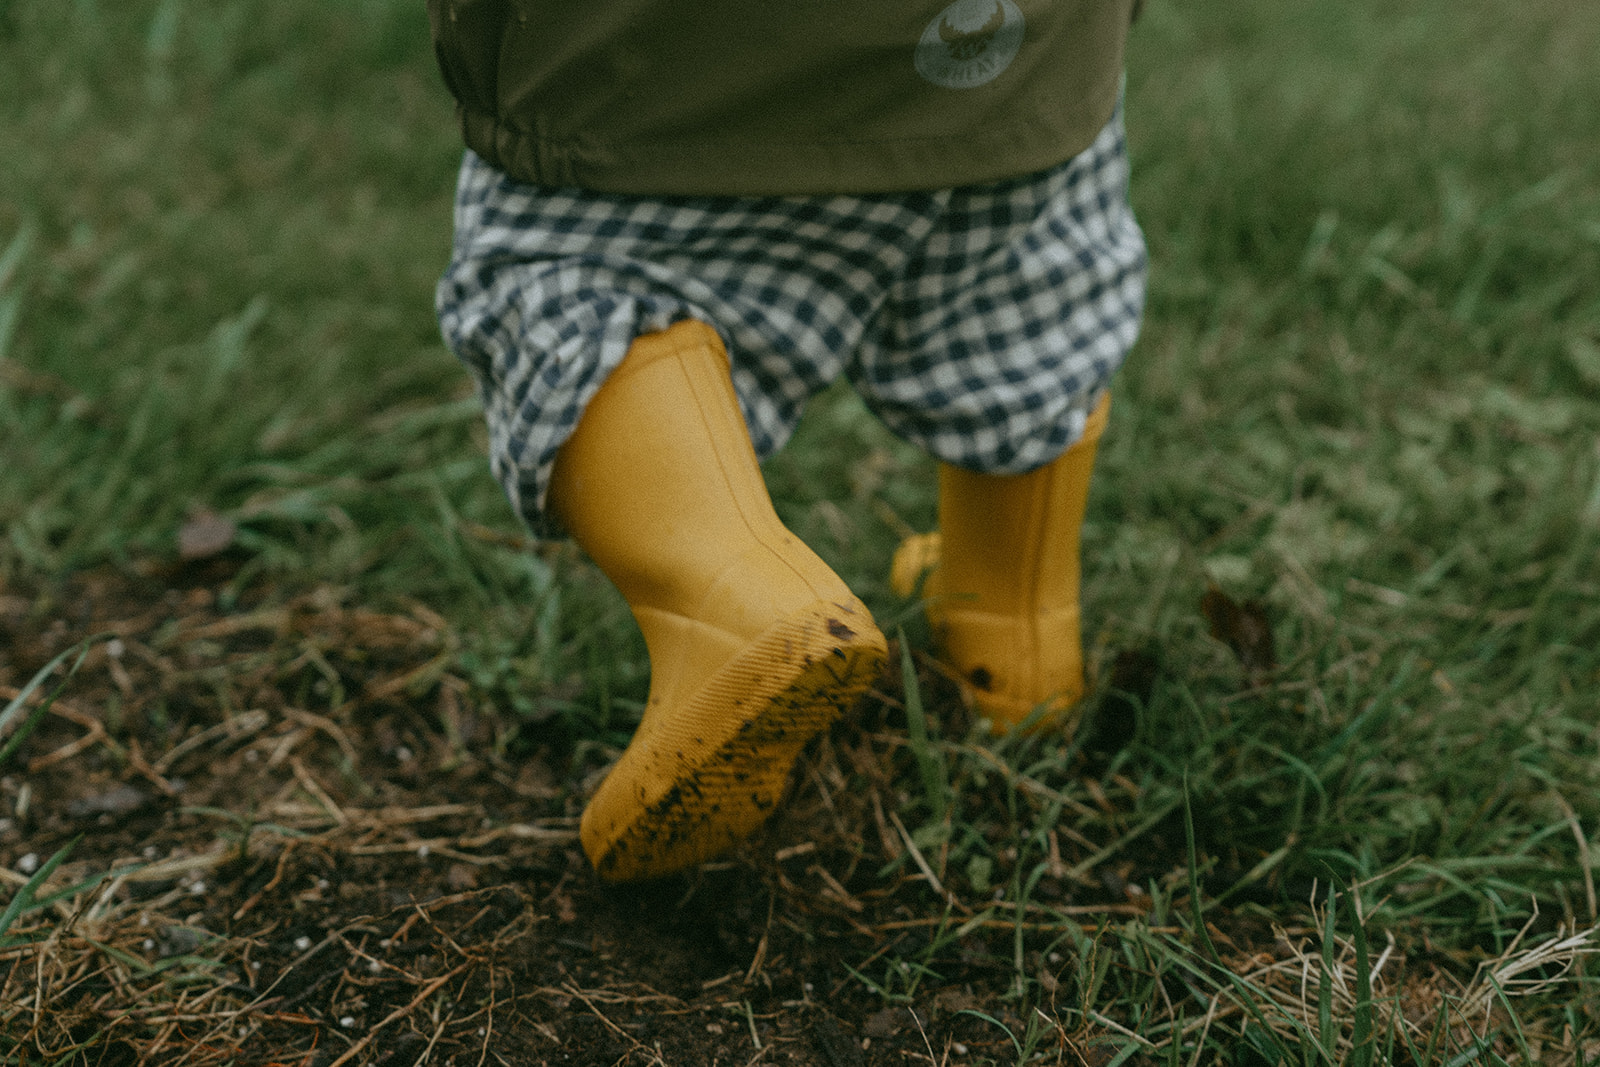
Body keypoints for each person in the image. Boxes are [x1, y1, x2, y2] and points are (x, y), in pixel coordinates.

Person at [427, 0, 1148, 882]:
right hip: (1009, 63)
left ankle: (735, 603)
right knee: (1023, 304)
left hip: (674, 83)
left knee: (575, 285)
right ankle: (1018, 649)